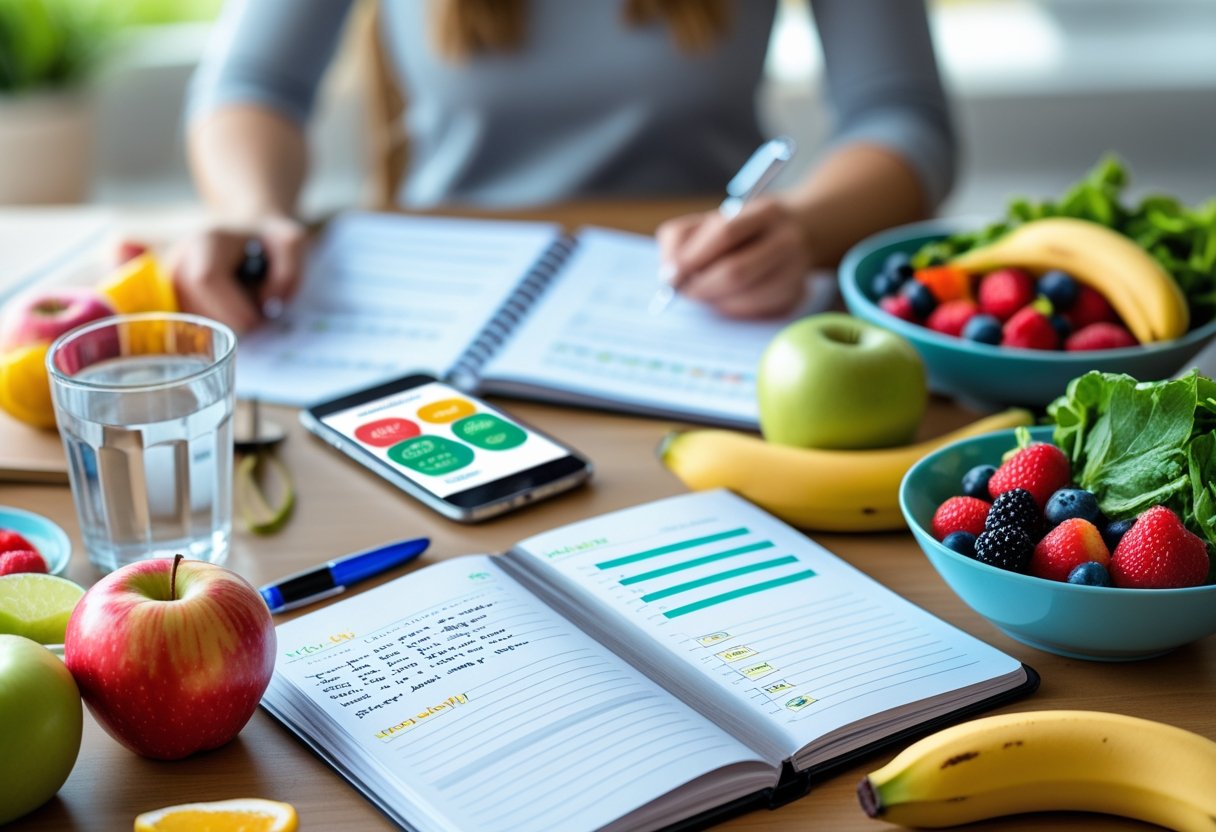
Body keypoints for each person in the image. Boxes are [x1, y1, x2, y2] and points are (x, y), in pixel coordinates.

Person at [175, 0, 956, 332]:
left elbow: (903, 118)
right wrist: (251, 210)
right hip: (441, 301)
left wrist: (802, 227)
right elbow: (254, 86)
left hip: (713, 304)